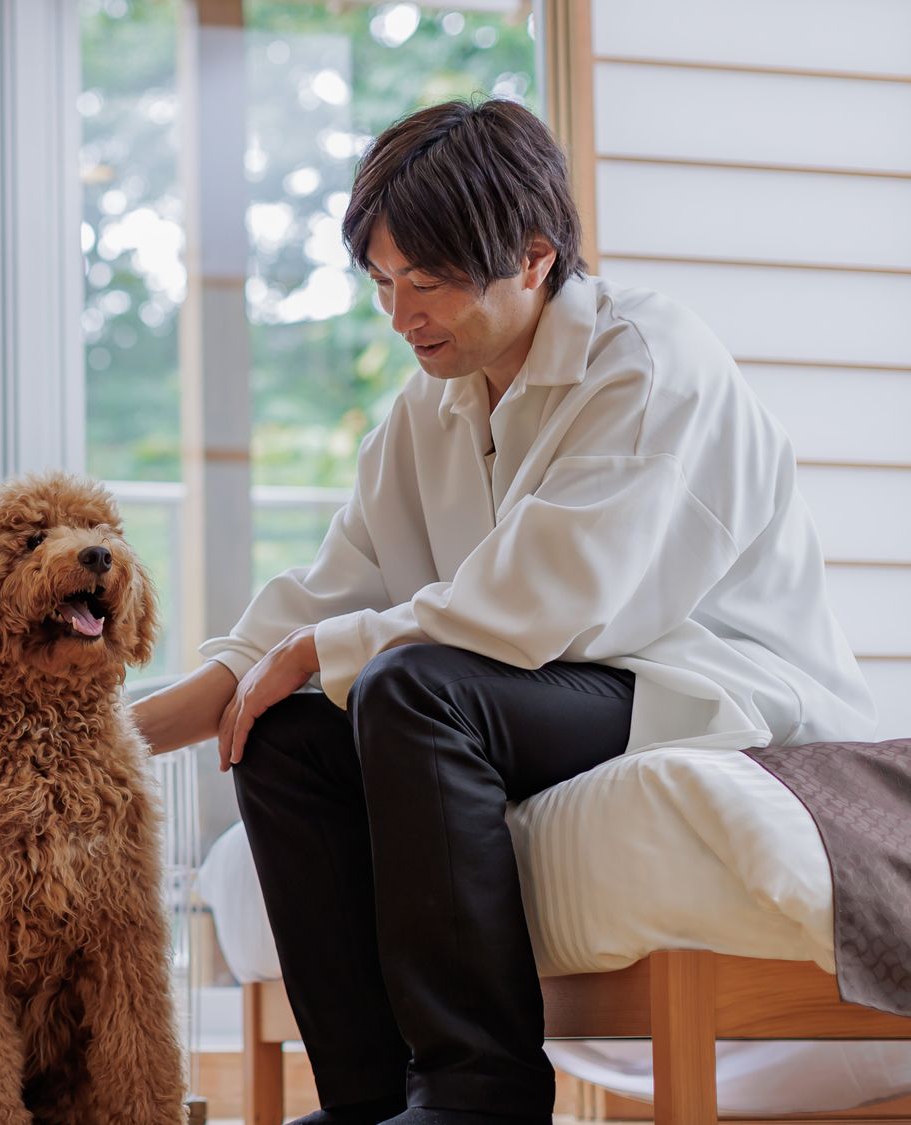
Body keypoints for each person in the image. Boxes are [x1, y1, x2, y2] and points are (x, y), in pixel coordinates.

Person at [134, 98, 873, 1125]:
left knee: (411, 690)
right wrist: (117, 734)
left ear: (531, 257)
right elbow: (329, 591)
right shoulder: (424, 409)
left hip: (707, 690)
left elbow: (541, 607)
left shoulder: (647, 361)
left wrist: (319, 646)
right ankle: (368, 1100)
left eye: (426, 282)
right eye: (383, 284)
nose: (400, 317)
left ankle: (477, 1094)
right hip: (551, 689)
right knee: (286, 737)